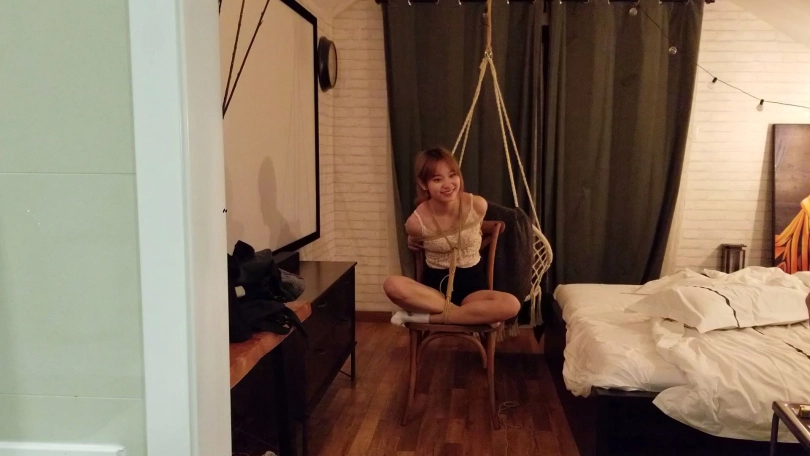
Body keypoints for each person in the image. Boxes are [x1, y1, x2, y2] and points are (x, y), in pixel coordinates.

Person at [383, 147, 521, 326]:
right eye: (437, 179)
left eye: (452, 175)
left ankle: (423, 318)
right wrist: (411, 240)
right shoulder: (416, 223)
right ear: (424, 184)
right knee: (391, 284)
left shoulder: (477, 205)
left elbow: (476, 229)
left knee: (512, 304)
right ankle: (469, 315)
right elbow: (414, 241)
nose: (448, 184)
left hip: (474, 290)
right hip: (435, 292)